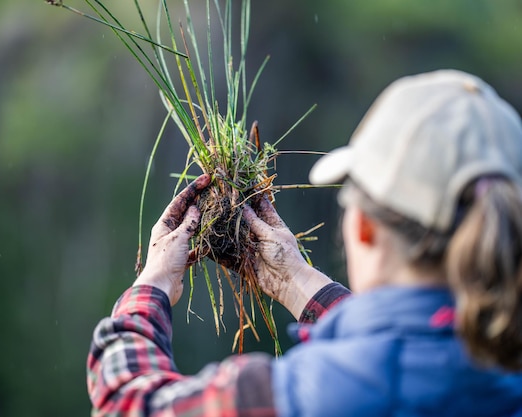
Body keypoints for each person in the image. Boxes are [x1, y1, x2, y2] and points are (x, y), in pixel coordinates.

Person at [87, 69, 522, 416]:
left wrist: (153, 284)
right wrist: (294, 280)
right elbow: (413, 347)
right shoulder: (502, 369)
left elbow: (127, 404)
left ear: (365, 228)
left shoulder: (313, 396)